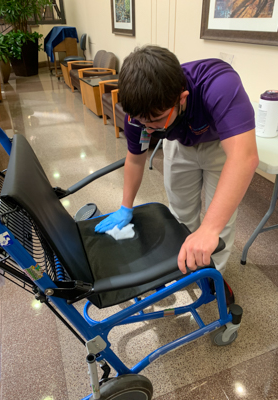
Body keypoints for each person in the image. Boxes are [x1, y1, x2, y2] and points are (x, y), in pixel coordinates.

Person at [95, 45, 259, 278]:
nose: (149, 129)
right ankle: (184, 269)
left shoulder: (219, 84)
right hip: (180, 143)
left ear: (182, 98)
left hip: (221, 145)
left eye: (156, 120)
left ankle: (213, 277)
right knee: (180, 215)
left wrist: (210, 229)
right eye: (143, 123)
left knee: (220, 223)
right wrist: (125, 206)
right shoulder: (138, 116)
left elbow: (244, 157)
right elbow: (135, 161)